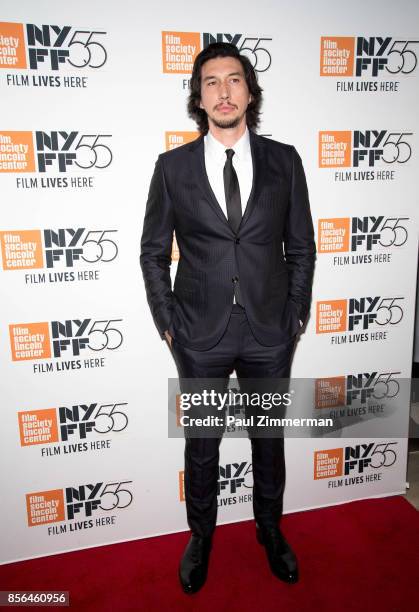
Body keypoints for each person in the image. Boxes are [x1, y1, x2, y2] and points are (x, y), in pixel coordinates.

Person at [140, 42, 316, 594]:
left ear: (249, 91)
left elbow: (302, 248)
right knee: (201, 445)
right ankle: (202, 537)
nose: (222, 91)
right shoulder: (172, 168)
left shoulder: (285, 161)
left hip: (270, 332)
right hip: (198, 334)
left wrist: (296, 316)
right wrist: (168, 321)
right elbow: (152, 250)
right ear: (198, 96)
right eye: (211, 81)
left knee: (269, 440)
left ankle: (270, 529)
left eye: (233, 80)